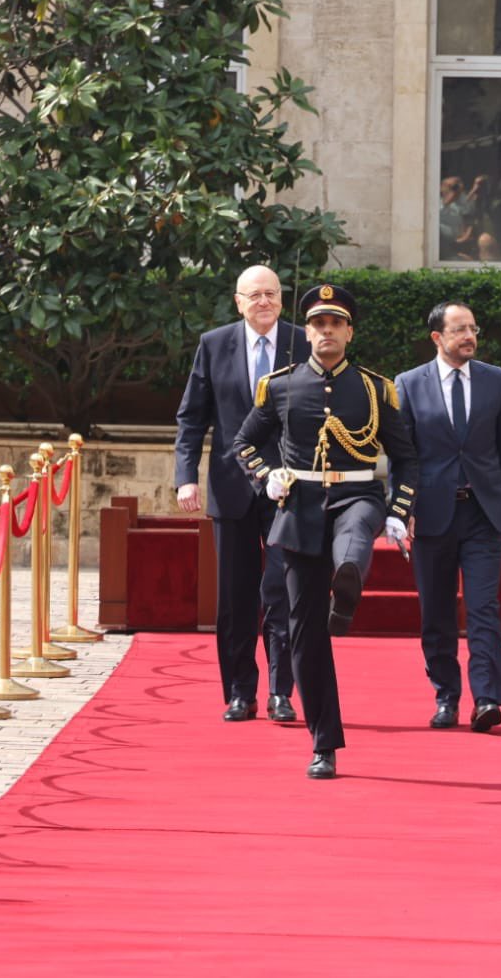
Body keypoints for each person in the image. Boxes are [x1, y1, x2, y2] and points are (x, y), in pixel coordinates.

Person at [229, 283, 419, 779]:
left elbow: (406, 456)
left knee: (355, 537)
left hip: (357, 494)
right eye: (318, 323)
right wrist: (266, 475)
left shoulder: (377, 388)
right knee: (304, 633)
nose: (326, 331)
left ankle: (348, 583)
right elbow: (244, 442)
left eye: (335, 323)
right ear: (307, 332)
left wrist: (398, 509)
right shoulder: (282, 385)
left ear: (349, 332)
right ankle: (323, 742)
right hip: (300, 506)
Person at [173, 264, 303, 724]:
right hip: (230, 489)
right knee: (234, 596)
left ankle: (281, 692)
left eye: (271, 293)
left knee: (284, 592)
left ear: (282, 300)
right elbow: (193, 417)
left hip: (290, 491)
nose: (264, 301)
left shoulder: (302, 342)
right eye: (255, 295)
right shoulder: (214, 345)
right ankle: (239, 692)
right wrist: (185, 475)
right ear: (238, 301)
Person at [394, 301, 501, 733]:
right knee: (436, 611)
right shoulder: (409, 384)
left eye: (473, 328)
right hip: (432, 514)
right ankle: (446, 696)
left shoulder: (496, 380)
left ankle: (486, 698)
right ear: (437, 338)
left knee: (484, 606)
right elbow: (403, 457)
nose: (469, 336)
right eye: (459, 330)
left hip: (484, 513)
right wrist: (402, 509)